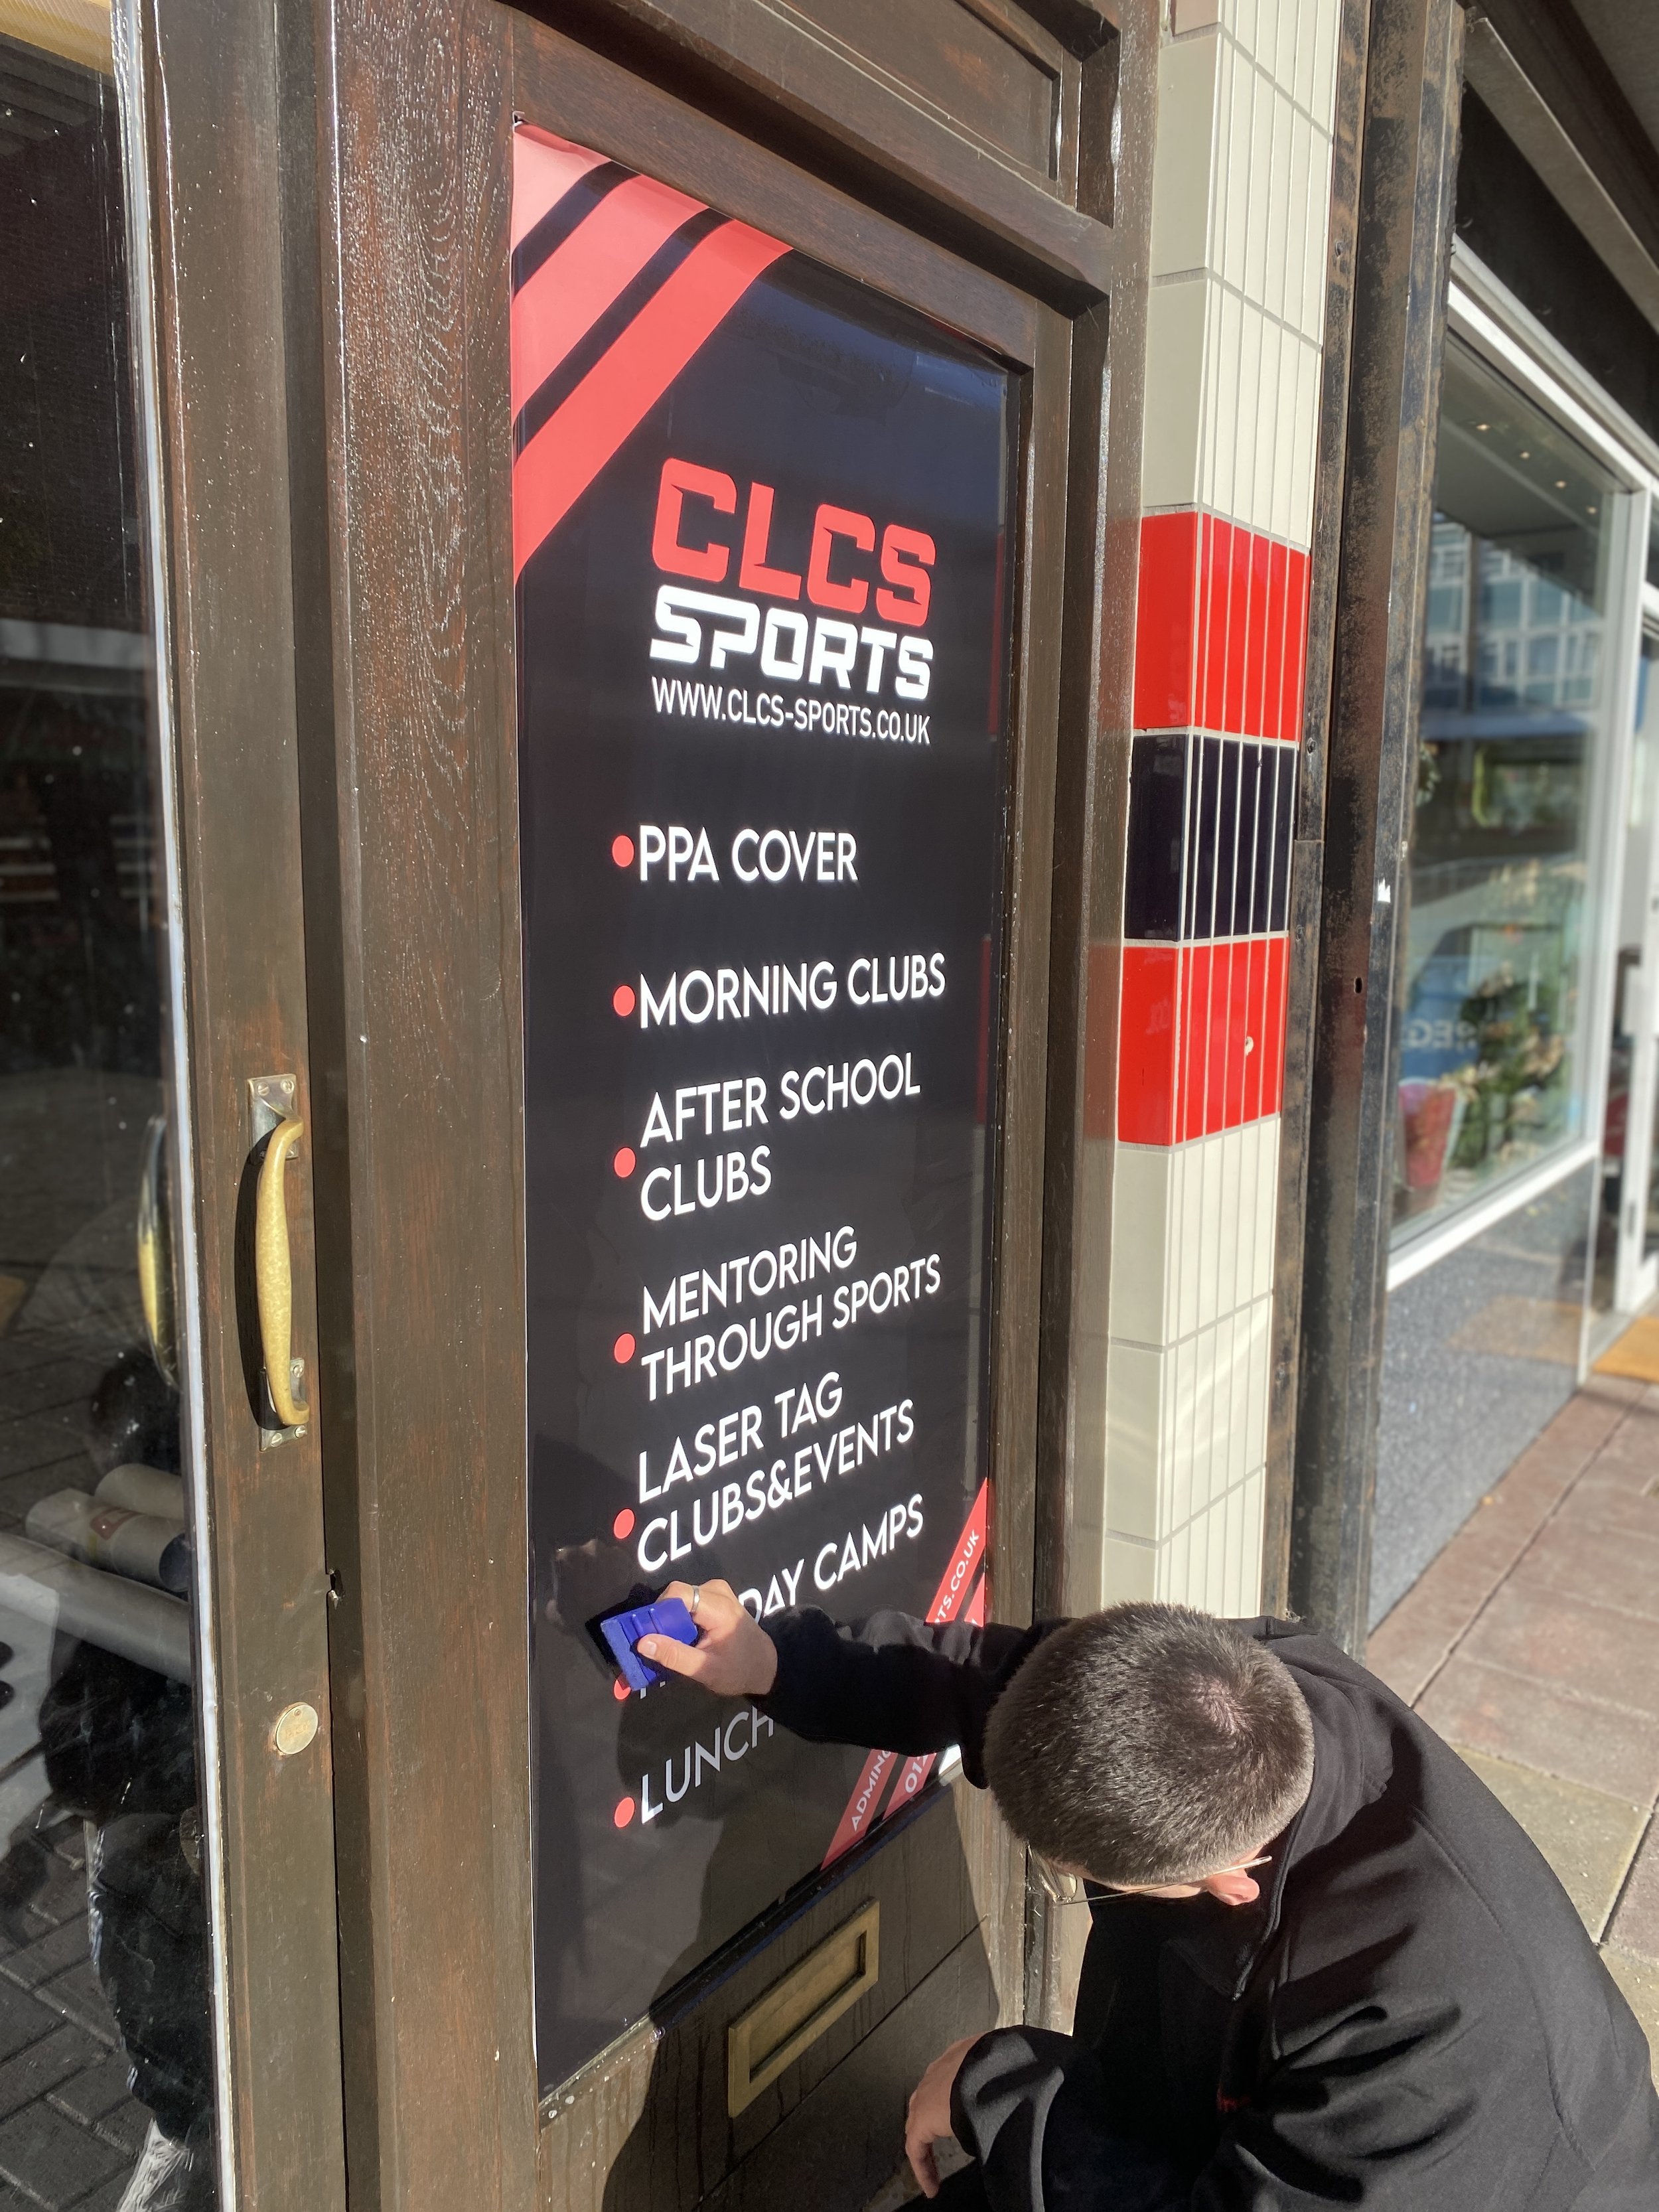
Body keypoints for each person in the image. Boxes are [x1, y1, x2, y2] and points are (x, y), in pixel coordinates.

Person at [637, 1583, 1659, 2210]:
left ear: (1219, 1878)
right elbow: (997, 1680)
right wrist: (777, 1660)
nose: (1081, 1891)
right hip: (1239, 2119)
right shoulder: (1218, 1689)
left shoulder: (1429, 2025)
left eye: (1094, 1882)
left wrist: (996, 2080)